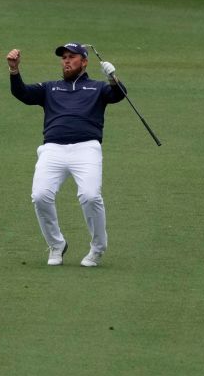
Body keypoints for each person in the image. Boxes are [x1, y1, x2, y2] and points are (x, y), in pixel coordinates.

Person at [7, 42, 124, 267]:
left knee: (90, 196)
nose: (67, 61)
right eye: (64, 58)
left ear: (84, 61)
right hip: (53, 149)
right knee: (40, 196)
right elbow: (22, 93)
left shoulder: (97, 88)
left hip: (86, 148)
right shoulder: (51, 88)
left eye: (72, 57)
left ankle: (98, 248)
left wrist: (113, 77)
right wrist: (14, 70)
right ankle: (56, 245)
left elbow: (119, 95)